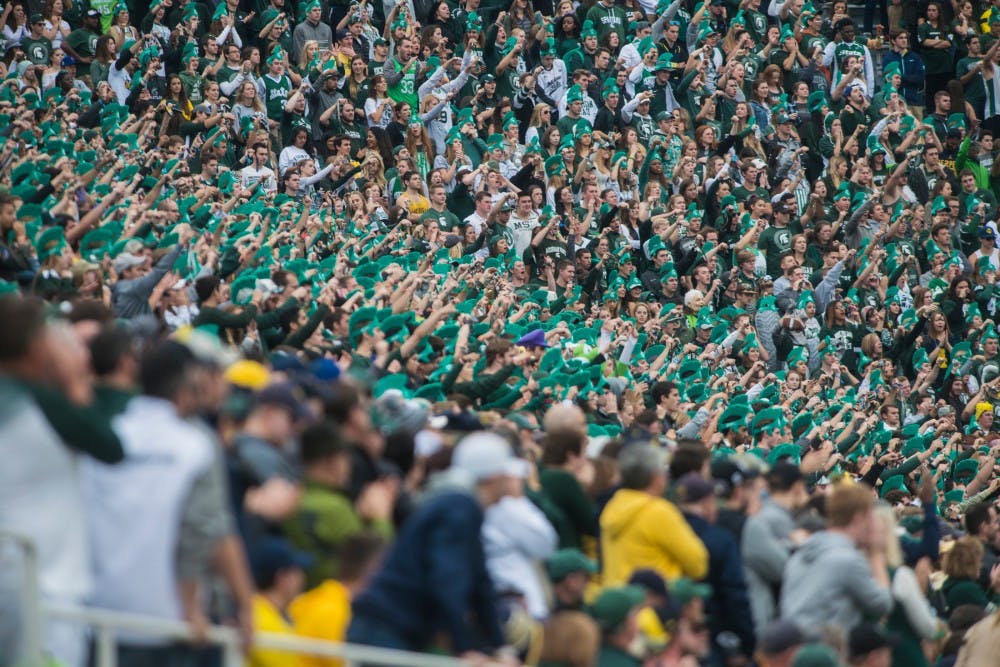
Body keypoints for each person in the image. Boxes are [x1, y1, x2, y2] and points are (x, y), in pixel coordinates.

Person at [347, 432, 520, 661]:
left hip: (388, 626)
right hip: (386, 628)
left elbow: (479, 581)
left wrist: (500, 647)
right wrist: (464, 646)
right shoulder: (459, 507)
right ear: (493, 477)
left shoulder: (459, 505)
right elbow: (448, 578)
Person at [780, 482, 893, 633]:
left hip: (793, 645)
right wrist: (876, 554)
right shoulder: (848, 560)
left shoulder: (804, 550)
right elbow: (883, 604)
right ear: (859, 518)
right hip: (823, 648)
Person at [600, 444, 708, 587]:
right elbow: (698, 564)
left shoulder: (612, 506)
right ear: (654, 477)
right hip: (654, 602)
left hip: (618, 601)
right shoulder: (659, 511)